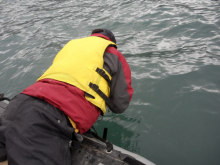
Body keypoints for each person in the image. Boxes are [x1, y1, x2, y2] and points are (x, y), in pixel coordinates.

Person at [0, 29, 133, 165]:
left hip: (18, 103)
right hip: (48, 119)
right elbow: (120, 103)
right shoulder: (113, 53)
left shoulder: (72, 44)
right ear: (111, 42)